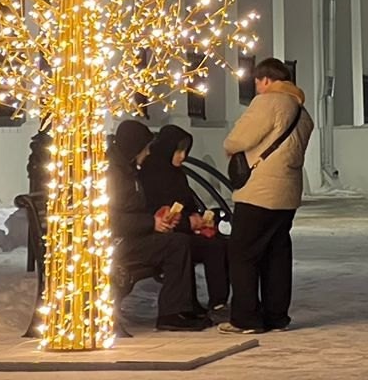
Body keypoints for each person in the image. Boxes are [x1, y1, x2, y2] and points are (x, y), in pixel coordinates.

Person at [220, 59, 314, 334]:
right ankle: (276, 316)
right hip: (287, 192)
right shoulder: (302, 112)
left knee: (243, 253)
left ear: (266, 80)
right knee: (277, 254)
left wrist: (230, 146)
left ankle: (246, 318)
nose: (257, 89)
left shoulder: (268, 103)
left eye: (257, 83)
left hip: (259, 192)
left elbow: (238, 139)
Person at [107, 118, 211, 330]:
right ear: (134, 147)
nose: (147, 154)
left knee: (177, 242)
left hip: (130, 237)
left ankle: (181, 308)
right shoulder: (115, 174)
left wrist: (157, 220)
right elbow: (112, 218)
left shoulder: (125, 170)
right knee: (177, 244)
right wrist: (150, 223)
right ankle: (172, 313)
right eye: (145, 149)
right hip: (118, 244)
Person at [139, 123, 232, 320]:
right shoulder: (151, 173)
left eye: (185, 151)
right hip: (164, 233)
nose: (182, 156)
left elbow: (187, 203)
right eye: (178, 150)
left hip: (184, 229)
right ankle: (185, 305)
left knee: (217, 245)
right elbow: (155, 212)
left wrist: (201, 219)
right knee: (184, 245)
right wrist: (187, 224)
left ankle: (218, 302)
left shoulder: (177, 174)